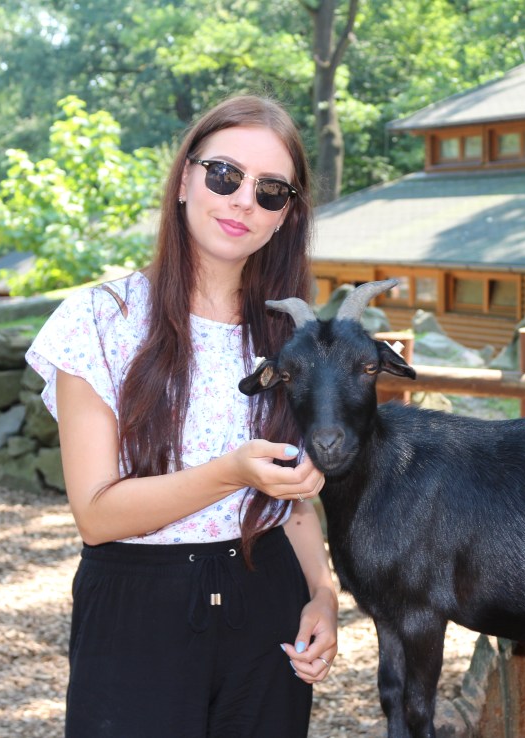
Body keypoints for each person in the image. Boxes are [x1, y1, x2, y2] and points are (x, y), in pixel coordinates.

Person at [27, 95, 338, 738]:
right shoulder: (98, 320)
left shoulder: (297, 335)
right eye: (225, 174)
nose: (243, 200)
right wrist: (229, 472)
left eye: (271, 191)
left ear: (286, 217)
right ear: (185, 180)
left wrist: (323, 594)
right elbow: (96, 513)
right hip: (137, 609)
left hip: (269, 597)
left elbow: (296, 497)